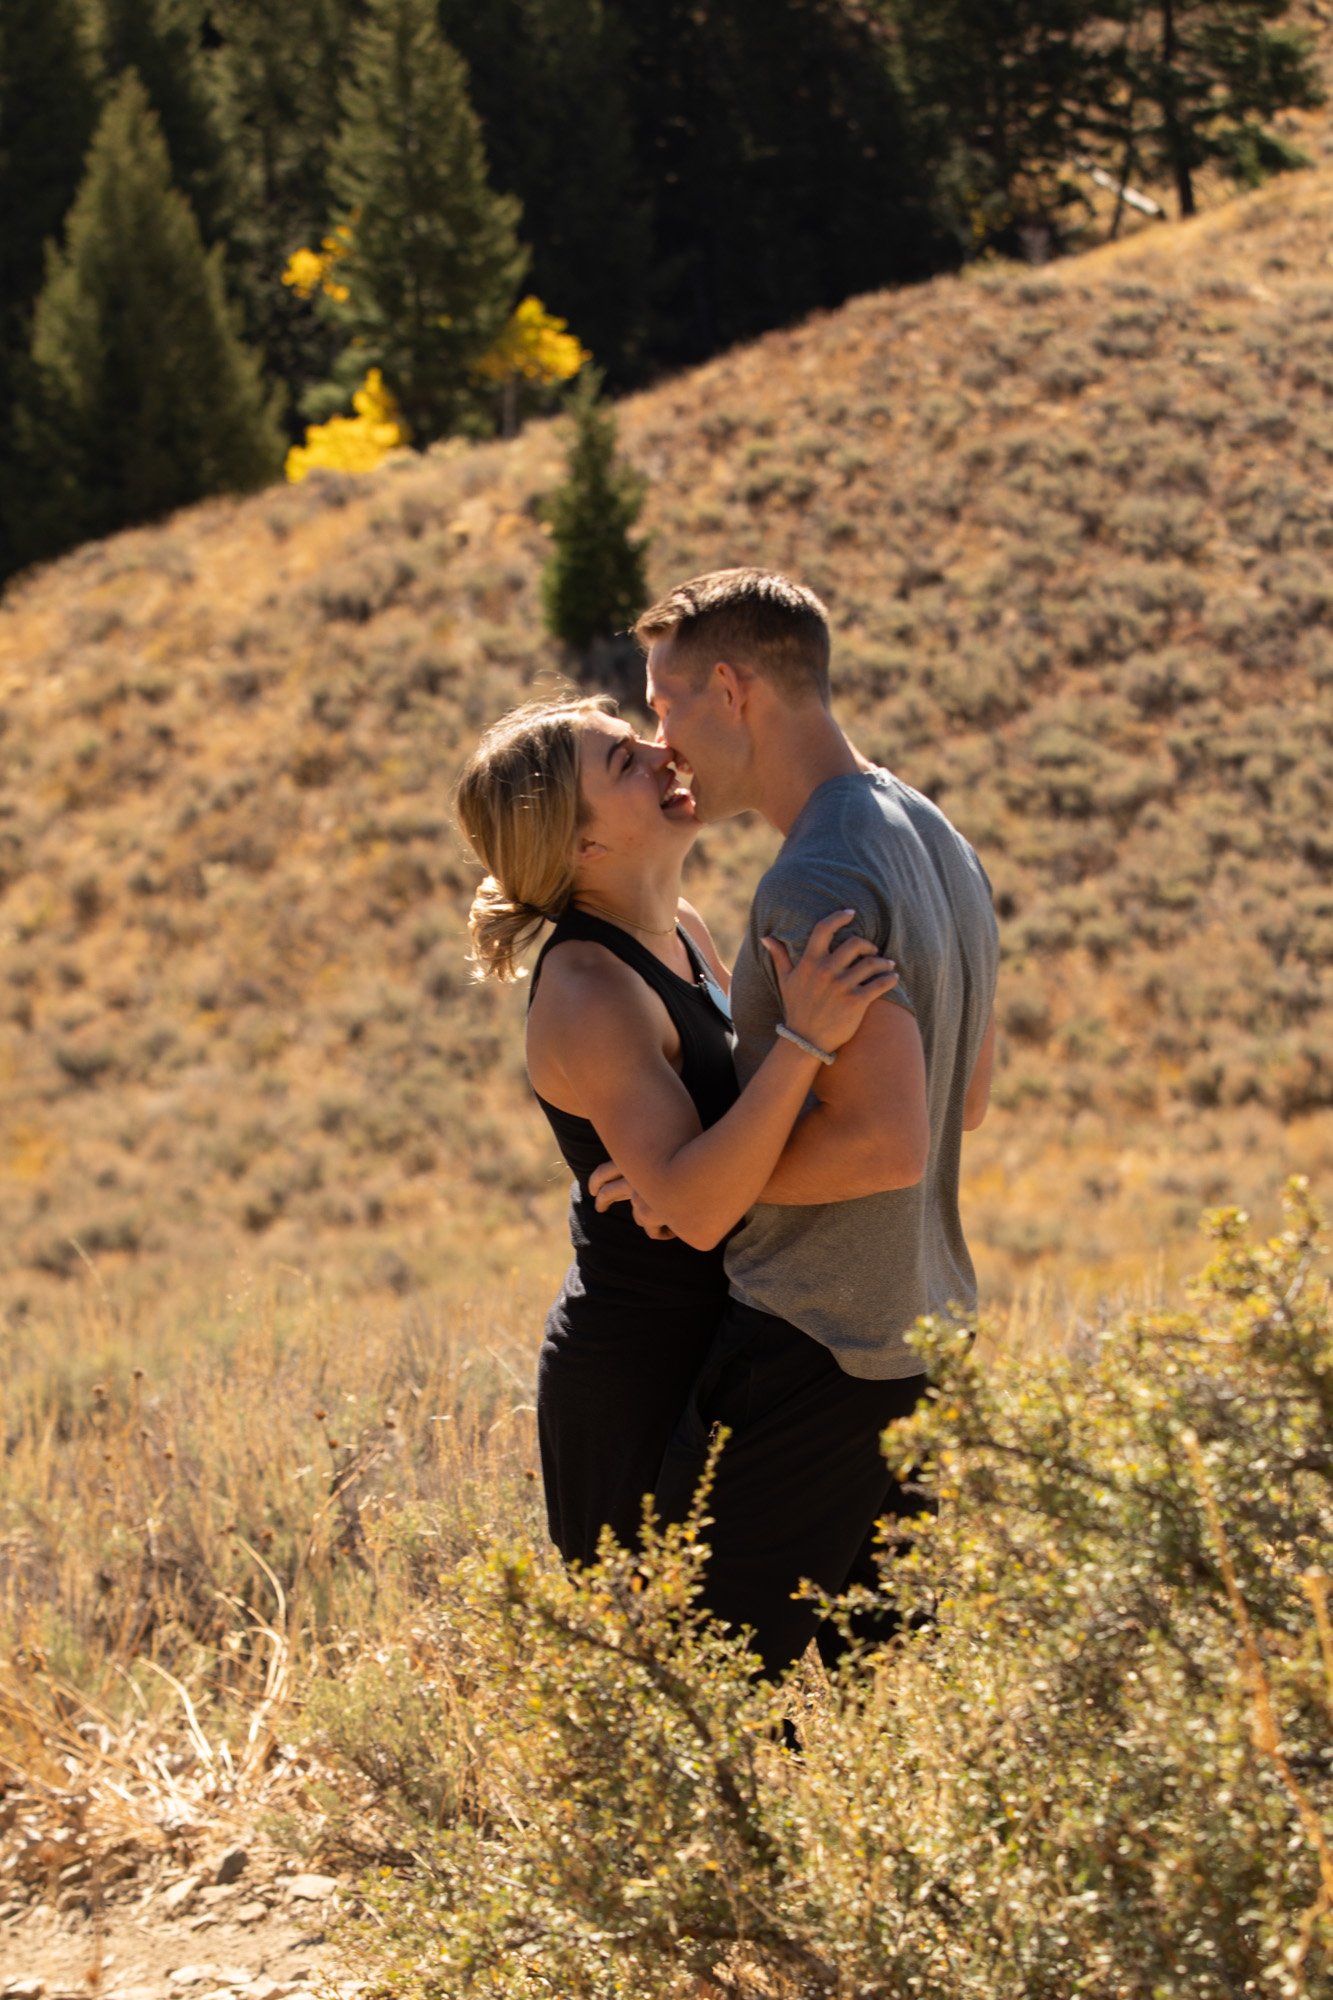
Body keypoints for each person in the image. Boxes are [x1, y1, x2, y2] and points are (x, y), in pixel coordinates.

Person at [591, 568, 999, 1678]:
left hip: (810, 1345)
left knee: (699, 1693)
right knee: (892, 1718)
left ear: (731, 688)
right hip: (920, 1341)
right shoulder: (929, 831)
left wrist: (696, 1184)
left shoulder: (812, 876)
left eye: (666, 705)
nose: (660, 741)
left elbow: (888, 1141)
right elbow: (958, 1099)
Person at [453, 694, 899, 1568]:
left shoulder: (684, 929)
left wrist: (695, 1180)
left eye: (640, 739)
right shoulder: (588, 990)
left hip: (731, 1337)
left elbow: (722, 1147)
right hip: (638, 1375)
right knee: (656, 1675)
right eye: (625, 761)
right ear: (583, 846)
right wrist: (804, 1043)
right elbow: (699, 1200)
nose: (664, 753)